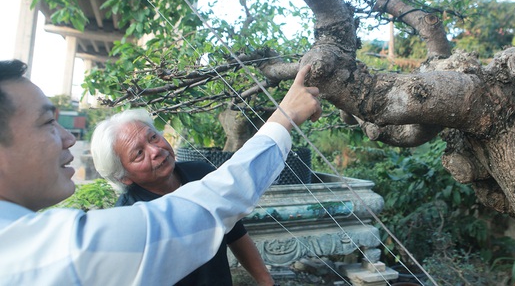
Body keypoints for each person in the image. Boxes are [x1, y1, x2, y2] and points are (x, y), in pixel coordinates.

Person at [0, 59, 321, 285]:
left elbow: (229, 221)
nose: (69, 137)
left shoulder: (196, 170)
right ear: (124, 176)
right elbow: (213, 203)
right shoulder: (61, 248)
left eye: (153, 137)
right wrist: (285, 116)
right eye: (47, 123)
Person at [91, 108, 275, 286]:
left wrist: (266, 281)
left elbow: (235, 232)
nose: (155, 150)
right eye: (139, 153)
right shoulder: (127, 217)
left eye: (153, 137)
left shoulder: (203, 175)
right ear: (122, 176)